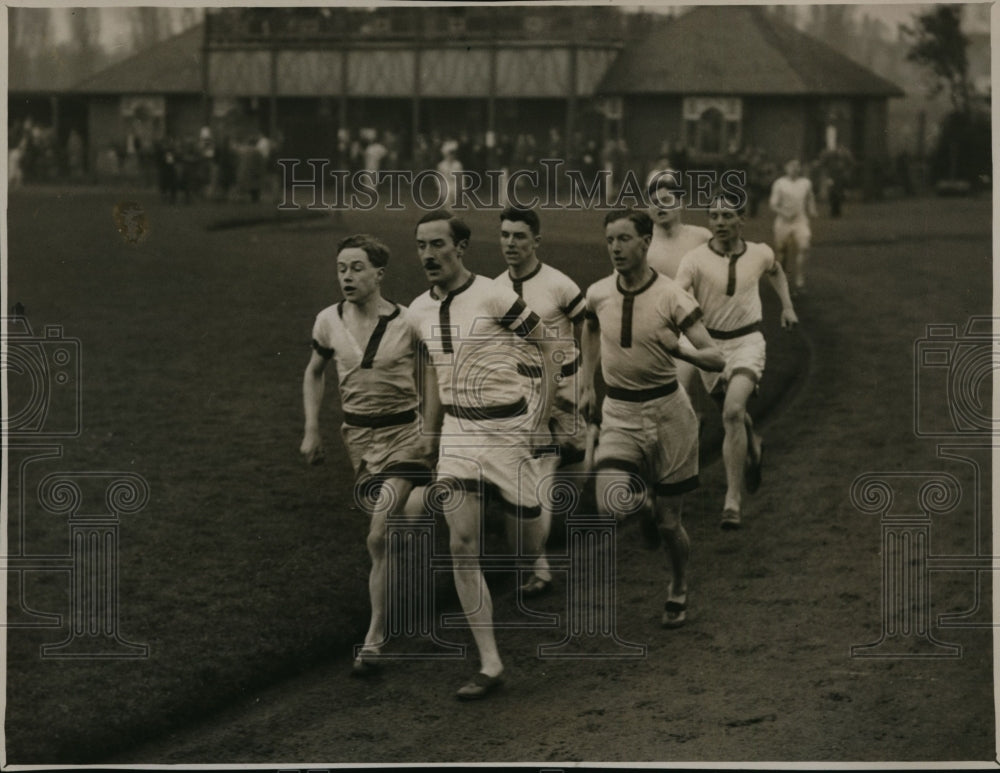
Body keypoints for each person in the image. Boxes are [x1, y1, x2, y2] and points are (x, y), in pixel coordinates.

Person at [408, 210, 558, 700]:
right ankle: (490, 663)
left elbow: (548, 346)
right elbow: (432, 369)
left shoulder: (494, 296)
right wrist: (430, 433)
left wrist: (539, 421)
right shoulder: (418, 310)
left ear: (461, 247)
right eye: (421, 245)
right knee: (461, 543)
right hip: (458, 433)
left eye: (437, 244)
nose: (428, 254)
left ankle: (539, 509)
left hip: (509, 430)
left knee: (528, 540)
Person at [580, 209, 724, 629]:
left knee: (669, 523)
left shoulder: (672, 297)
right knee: (609, 501)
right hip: (620, 411)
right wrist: (587, 382)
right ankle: (639, 503)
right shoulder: (598, 293)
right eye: (610, 240)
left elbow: (714, 355)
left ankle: (678, 586)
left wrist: (680, 352)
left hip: (669, 414)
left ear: (646, 243)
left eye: (624, 239)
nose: (616, 248)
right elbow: (589, 328)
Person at [300, 234, 435, 676]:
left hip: (404, 435)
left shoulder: (408, 320)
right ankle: (427, 528)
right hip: (358, 440)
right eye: (341, 268)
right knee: (395, 530)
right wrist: (311, 429)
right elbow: (315, 372)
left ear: (379, 273)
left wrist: (431, 427)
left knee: (377, 536)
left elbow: (435, 368)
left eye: (357, 268)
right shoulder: (328, 321)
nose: (347, 276)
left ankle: (375, 638)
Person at [676, 193, 799, 531]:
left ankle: (732, 500)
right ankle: (753, 446)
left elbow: (776, 272)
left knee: (731, 411)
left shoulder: (759, 252)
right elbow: (677, 294)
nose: (719, 222)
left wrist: (787, 306)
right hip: (710, 348)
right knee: (733, 415)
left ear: (741, 220)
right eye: (713, 215)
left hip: (748, 341)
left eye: (727, 215)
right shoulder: (694, 259)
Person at [492, 206, 588, 598]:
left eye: (518, 236)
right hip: (522, 393)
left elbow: (589, 327)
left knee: (575, 470)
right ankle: (539, 566)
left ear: (536, 241)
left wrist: (587, 383)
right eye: (505, 235)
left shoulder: (559, 285)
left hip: (564, 387)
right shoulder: (495, 288)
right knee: (537, 470)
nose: (510, 243)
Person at [644, 172, 713, 425]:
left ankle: (690, 427)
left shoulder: (701, 237)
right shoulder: (643, 243)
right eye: (654, 201)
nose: (660, 206)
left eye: (666, 199)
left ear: (680, 203)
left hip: (694, 327)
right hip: (656, 326)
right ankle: (693, 422)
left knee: (680, 386)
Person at [769, 159, 817, 295]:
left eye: (797, 166)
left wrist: (812, 209)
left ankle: (800, 281)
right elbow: (773, 204)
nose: (794, 168)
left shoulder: (806, 183)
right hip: (783, 222)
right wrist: (784, 213)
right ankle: (782, 280)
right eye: (791, 166)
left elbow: (810, 197)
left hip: (800, 221)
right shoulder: (779, 183)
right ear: (786, 167)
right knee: (782, 252)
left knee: (804, 247)